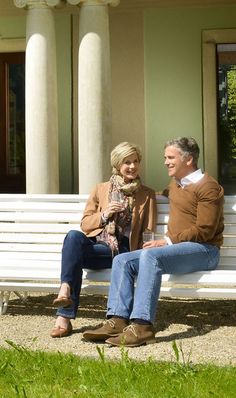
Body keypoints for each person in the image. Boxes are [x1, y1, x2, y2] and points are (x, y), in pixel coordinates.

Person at [82, 136, 224, 347]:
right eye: (165, 157)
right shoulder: (177, 184)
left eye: (170, 157)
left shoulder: (208, 188)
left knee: (150, 254)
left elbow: (205, 230)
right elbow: (156, 195)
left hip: (205, 250)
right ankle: (117, 320)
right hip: (179, 249)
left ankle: (142, 326)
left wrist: (167, 241)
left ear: (188, 160)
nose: (166, 162)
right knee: (123, 260)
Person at [50, 141, 156, 338]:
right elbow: (85, 224)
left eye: (135, 161)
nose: (133, 166)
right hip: (100, 246)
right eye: (127, 162)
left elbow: (148, 230)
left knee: (82, 257)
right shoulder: (101, 189)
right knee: (73, 236)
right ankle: (65, 290)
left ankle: (63, 317)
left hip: (124, 252)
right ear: (117, 165)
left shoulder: (147, 194)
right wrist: (105, 215)